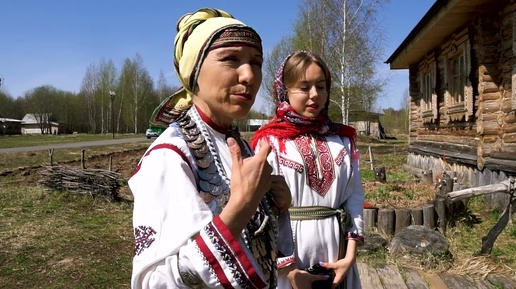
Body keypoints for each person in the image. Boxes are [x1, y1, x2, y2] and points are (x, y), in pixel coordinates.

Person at [129, 8, 292, 289]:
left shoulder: (239, 145)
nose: (249, 76)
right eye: (230, 59)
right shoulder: (169, 156)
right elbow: (153, 282)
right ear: (194, 71)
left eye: (256, 62)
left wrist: (278, 207)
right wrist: (242, 206)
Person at [250, 50, 365, 289]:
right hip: (289, 263)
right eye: (304, 87)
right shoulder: (269, 143)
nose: (315, 95)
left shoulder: (342, 140)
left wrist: (349, 257)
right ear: (285, 91)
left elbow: (354, 199)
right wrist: (290, 270)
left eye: (321, 86)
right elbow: (263, 211)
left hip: (338, 256)